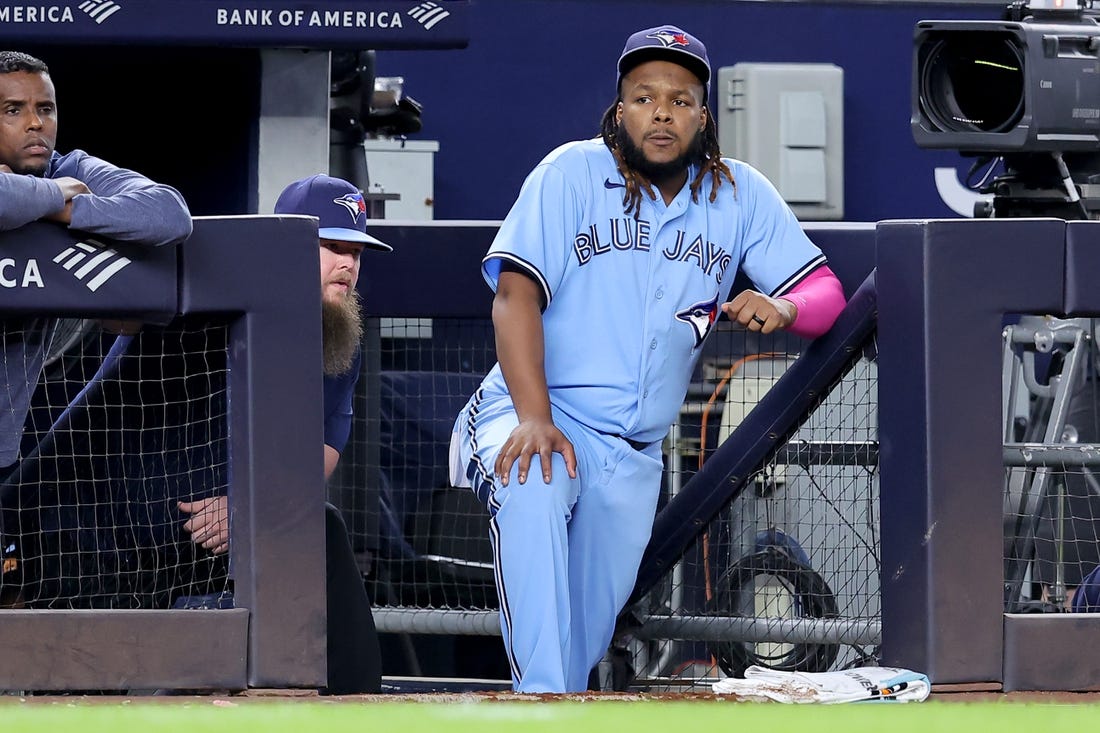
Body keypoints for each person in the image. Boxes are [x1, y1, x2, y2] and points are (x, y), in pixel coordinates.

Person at [448, 24, 847, 693]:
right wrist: (535, 416)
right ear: (619, 109)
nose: (661, 111)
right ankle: (540, 706)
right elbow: (513, 297)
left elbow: (826, 292)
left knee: (583, 639)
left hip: (632, 452)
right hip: (537, 410)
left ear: (703, 115)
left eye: (680, 98)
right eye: (643, 96)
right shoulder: (570, 172)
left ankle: (557, 698)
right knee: (534, 482)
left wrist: (784, 310)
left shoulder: (737, 193)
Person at [174, 174, 390, 694]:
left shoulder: (342, 334)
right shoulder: (212, 313)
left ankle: (359, 703)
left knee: (325, 528)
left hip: (249, 517)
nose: (349, 264)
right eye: (333, 247)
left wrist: (250, 508)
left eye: (356, 250)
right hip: (161, 511)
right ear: (286, 246)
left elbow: (322, 453)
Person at [0, 50, 191, 590]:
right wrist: (51, 198)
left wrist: (60, 204)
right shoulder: (55, 183)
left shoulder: (69, 169)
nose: (37, 123)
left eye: (46, 107)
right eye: (14, 110)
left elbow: (167, 213)